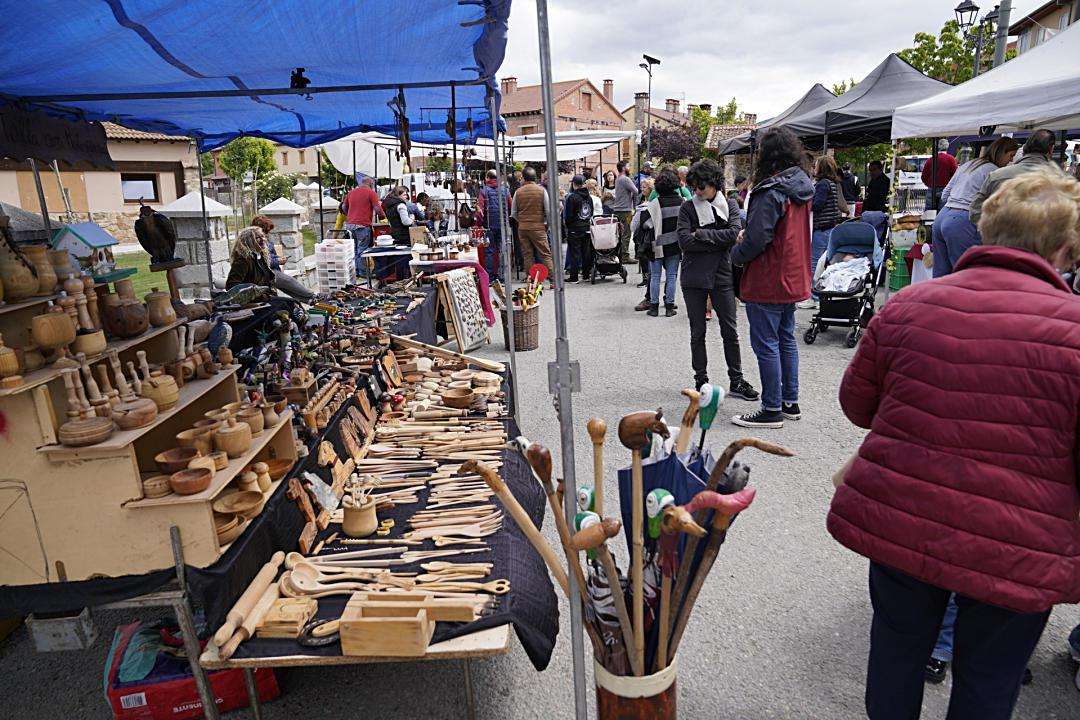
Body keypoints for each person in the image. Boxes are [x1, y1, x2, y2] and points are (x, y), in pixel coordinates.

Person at [828, 168, 1080, 720]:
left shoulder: (909, 306)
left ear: (985, 230)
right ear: (1065, 250)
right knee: (989, 683)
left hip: (905, 520)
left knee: (895, 656)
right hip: (1016, 541)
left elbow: (857, 406)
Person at [730, 127, 813, 428]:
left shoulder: (770, 191)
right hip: (792, 275)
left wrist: (736, 255)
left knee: (767, 343)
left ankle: (771, 408)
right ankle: (789, 401)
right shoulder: (801, 188)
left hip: (768, 277)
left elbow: (757, 239)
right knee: (785, 339)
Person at [677, 159, 759, 400]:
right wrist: (719, 241)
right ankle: (701, 380)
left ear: (714, 184)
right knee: (697, 331)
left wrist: (700, 234)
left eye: (701, 187)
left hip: (722, 274)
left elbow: (734, 233)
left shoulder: (730, 204)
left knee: (730, 330)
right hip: (693, 276)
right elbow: (684, 241)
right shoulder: (688, 208)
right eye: (694, 188)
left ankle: (737, 379)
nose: (697, 192)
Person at [931, 136, 1019, 277]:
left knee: (941, 275)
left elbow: (945, 194)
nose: (1011, 160)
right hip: (961, 220)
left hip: (942, 217)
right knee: (967, 274)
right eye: (1011, 155)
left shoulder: (969, 164)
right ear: (1002, 152)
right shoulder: (994, 172)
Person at [969, 129, 1066, 224]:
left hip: (1000, 237)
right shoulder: (1060, 180)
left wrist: (995, 230)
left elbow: (975, 212)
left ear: (1024, 149)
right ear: (1051, 149)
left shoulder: (996, 175)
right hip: (1038, 238)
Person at [803, 156, 848, 309]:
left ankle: (815, 297)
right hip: (830, 228)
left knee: (816, 262)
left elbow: (817, 204)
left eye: (815, 165)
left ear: (821, 167)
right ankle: (822, 296)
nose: (813, 168)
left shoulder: (822, 184)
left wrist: (806, 202)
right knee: (826, 262)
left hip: (821, 229)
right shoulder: (833, 183)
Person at [225, 226, 314, 302]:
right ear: (248, 241)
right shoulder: (243, 260)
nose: (263, 239)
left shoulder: (261, 255)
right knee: (288, 305)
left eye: (263, 236)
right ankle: (313, 297)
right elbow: (231, 286)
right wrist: (254, 294)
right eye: (257, 238)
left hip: (266, 297)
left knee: (292, 303)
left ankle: (312, 299)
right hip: (255, 302)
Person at [638, 168, 683, 317]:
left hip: (656, 245)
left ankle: (654, 307)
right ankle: (669, 307)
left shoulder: (654, 203)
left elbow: (645, 225)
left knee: (655, 276)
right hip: (675, 245)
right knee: (671, 275)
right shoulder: (681, 203)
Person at [510, 166, 554, 278]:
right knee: (545, 254)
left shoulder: (518, 192)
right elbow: (548, 211)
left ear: (523, 178)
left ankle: (530, 280)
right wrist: (546, 225)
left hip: (523, 228)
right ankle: (552, 279)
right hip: (539, 227)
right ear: (535, 178)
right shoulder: (542, 191)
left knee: (527, 254)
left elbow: (514, 212)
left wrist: (522, 221)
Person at [341, 177, 383, 275]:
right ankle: (363, 272)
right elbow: (377, 208)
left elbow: (343, 206)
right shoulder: (371, 193)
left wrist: (350, 215)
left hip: (350, 225)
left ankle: (356, 271)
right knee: (362, 249)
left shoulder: (351, 192)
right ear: (371, 184)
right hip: (362, 225)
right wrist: (382, 217)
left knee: (354, 249)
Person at [477, 169, 510, 283]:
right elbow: (510, 206)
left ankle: (490, 277)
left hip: (489, 225)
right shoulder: (505, 191)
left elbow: (480, 211)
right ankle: (502, 276)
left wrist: (480, 223)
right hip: (503, 225)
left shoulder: (484, 191)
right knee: (502, 250)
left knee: (489, 251)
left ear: (487, 178)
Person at [562, 175, 594, 282]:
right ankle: (586, 275)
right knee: (586, 252)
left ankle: (574, 277)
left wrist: (568, 225)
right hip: (586, 227)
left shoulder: (572, 197)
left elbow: (569, 215)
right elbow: (591, 212)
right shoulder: (589, 197)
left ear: (574, 184)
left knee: (574, 253)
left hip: (574, 228)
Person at [631, 177, 656, 311]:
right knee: (643, 259)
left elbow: (635, 223)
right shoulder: (641, 199)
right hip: (640, 236)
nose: (642, 189)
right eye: (641, 187)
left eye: (645, 187)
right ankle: (645, 278)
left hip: (645, 236)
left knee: (648, 261)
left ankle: (650, 294)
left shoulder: (650, 202)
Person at [612, 161, 640, 263]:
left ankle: (621, 254)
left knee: (620, 233)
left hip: (618, 209)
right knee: (626, 233)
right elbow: (636, 191)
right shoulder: (625, 179)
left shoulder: (618, 179)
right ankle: (625, 256)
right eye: (628, 166)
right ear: (624, 168)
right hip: (625, 210)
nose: (630, 168)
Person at [921, 144, 958, 209]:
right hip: (945, 189)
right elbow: (955, 176)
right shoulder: (951, 159)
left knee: (929, 213)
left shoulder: (930, 159)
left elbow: (924, 176)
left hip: (932, 189)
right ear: (947, 147)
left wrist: (929, 184)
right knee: (942, 212)